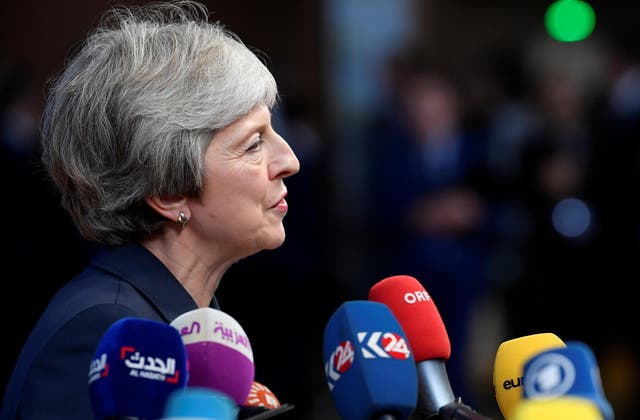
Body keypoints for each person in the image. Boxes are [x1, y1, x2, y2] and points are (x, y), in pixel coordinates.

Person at [0, 1, 300, 419]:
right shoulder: (108, 335)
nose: (290, 160)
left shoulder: (191, 320)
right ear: (169, 191)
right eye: (253, 143)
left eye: (274, 131)